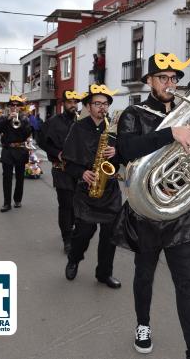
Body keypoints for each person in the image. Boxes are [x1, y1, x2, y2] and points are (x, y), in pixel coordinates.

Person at [116, 52, 190, 359]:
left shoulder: (189, 114)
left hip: (179, 212)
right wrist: (170, 133)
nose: (169, 83)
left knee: (187, 282)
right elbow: (125, 150)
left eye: (173, 78)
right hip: (146, 212)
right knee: (144, 274)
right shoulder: (133, 114)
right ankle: (143, 325)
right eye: (162, 78)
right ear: (149, 81)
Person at [62, 84, 122, 289]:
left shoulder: (113, 129)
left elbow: (126, 154)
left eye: (105, 104)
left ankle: (104, 273)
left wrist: (117, 153)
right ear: (88, 106)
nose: (102, 107)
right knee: (83, 233)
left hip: (110, 190)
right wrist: (82, 172)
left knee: (110, 236)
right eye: (97, 103)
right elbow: (67, 163)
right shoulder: (78, 128)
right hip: (87, 190)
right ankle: (74, 259)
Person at [38, 91, 83, 253]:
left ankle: (73, 229)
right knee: (65, 205)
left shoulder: (82, 121)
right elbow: (41, 141)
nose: (73, 105)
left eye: (75, 102)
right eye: (70, 102)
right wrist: (57, 153)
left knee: (77, 204)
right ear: (63, 104)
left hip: (80, 171)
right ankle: (67, 239)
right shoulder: (53, 122)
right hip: (61, 169)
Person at [0, 95, 33, 212]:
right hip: (7, 150)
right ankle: (6, 203)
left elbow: (28, 133)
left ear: (20, 107)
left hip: (21, 150)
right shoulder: (3, 118)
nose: (15, 107)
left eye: (17, 105)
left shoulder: (25, 119)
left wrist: (21, 122)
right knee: (6, 178)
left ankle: (17, 200)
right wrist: (8, 120)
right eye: (13, 105)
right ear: (9, 106)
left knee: (20, 177)